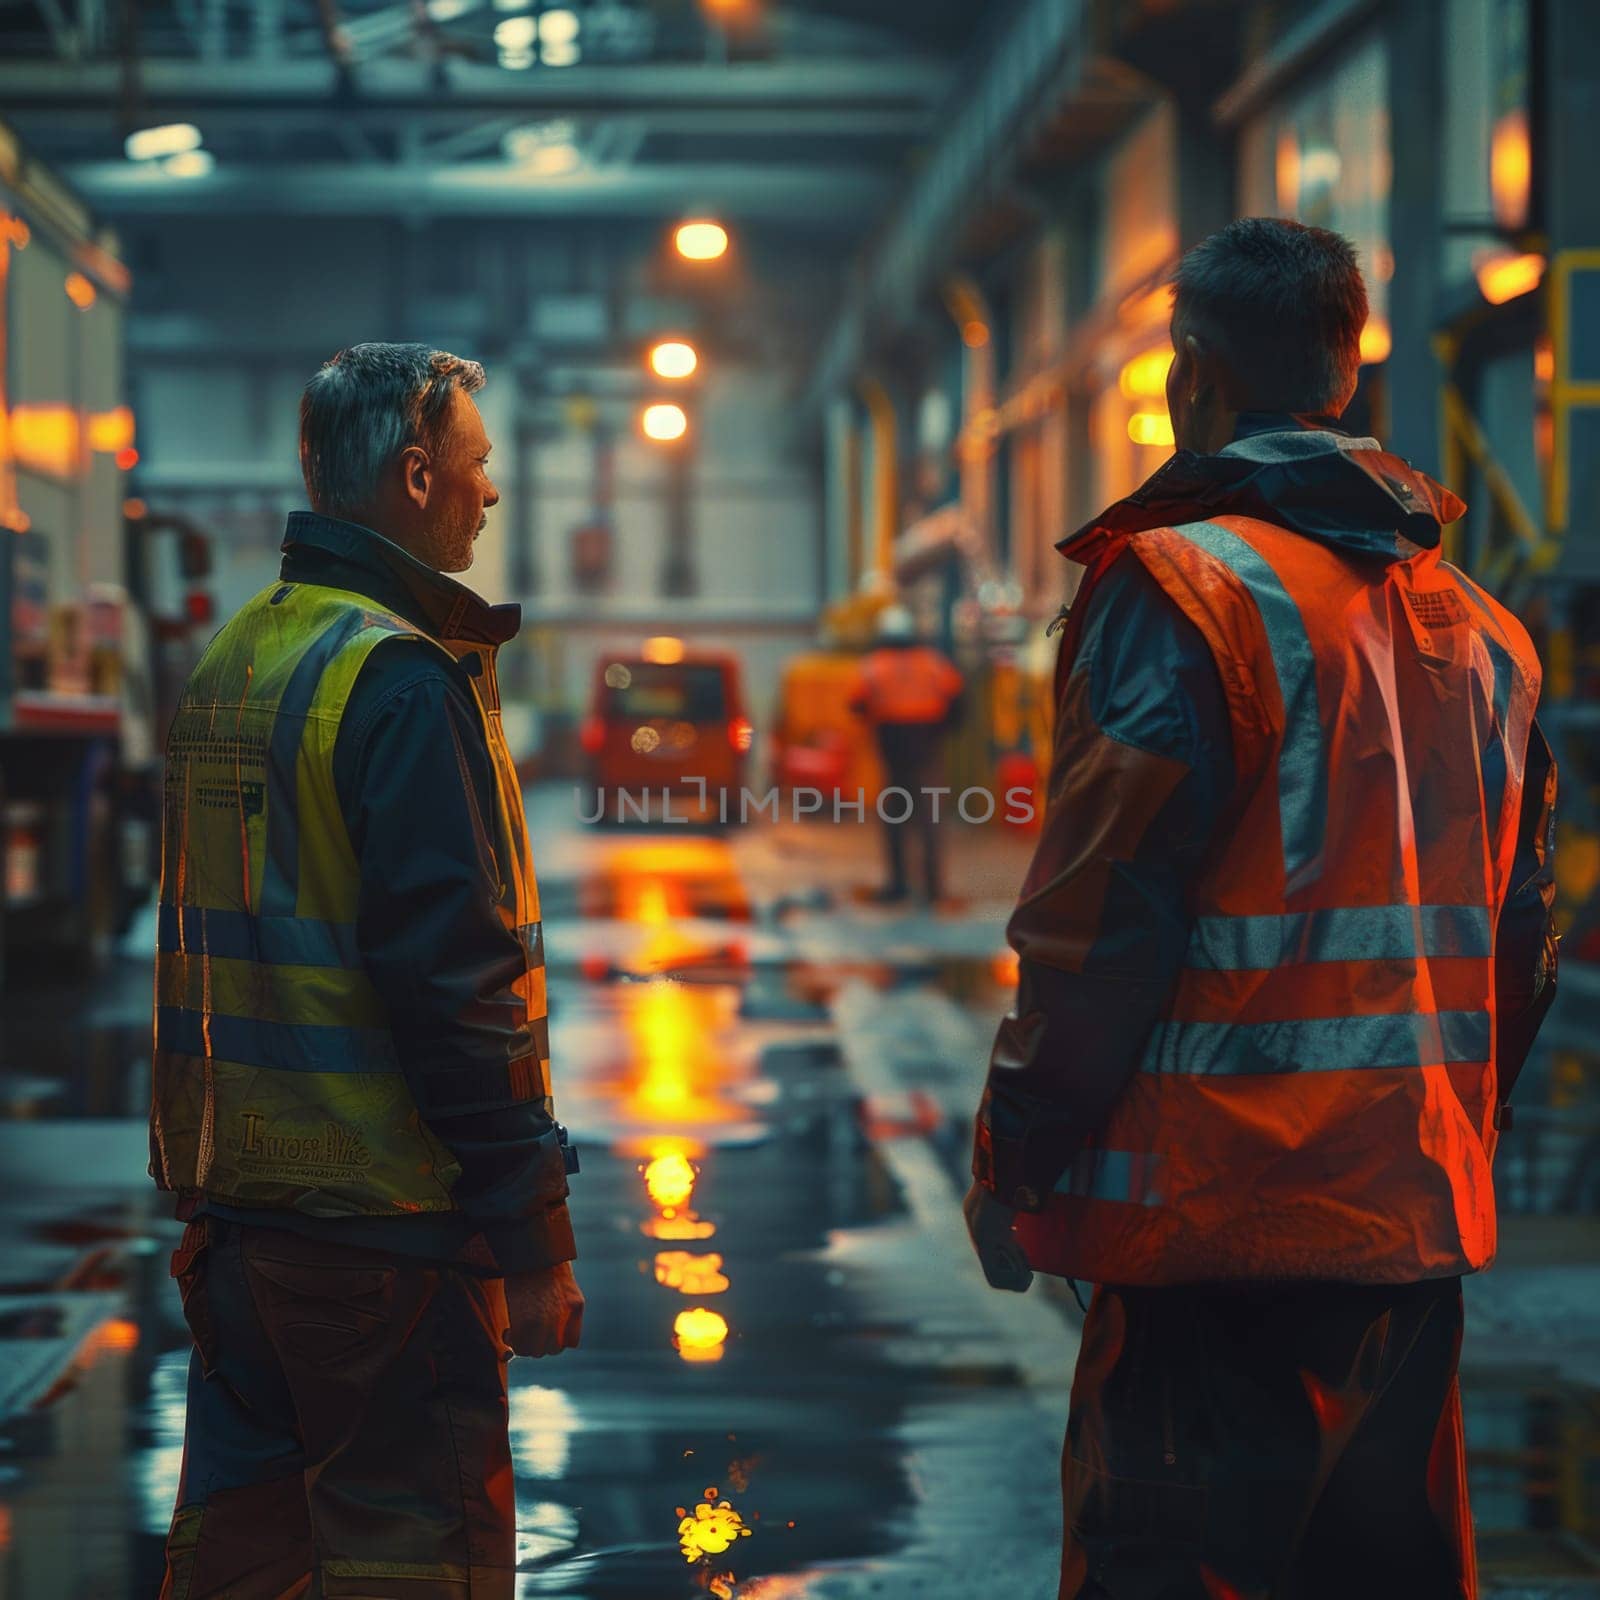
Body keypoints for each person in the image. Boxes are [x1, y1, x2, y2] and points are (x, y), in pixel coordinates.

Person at [964, 220, 1558, 1599]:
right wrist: (1432, 1139)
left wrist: (1018, 1158)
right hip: (1401, 1241)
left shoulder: (1183, 589)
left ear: (1191, 368)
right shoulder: (1485, 629)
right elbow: (1517, 944)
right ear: (1344, 372)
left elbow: (1102, 918)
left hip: (1205, 1239)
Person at [152, 343, 584, 1599]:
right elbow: (454, 983)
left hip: (236, 1231)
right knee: (411, 1568)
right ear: (413, 476)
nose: (489, 493)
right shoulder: (396, 678)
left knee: (247, 1567)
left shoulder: (242, 654)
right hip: (383, 1240)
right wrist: (532, 1237)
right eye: (477, 465)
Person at [849, 604, 965, 902]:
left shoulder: (873, 665)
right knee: (929, 819)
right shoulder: (934, 663)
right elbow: (958, 700)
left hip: (893, 752)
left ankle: (899, 885)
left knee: (896, 817)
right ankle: (933, 888)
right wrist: (942, 730)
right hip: (928, 749)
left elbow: (857, 705)